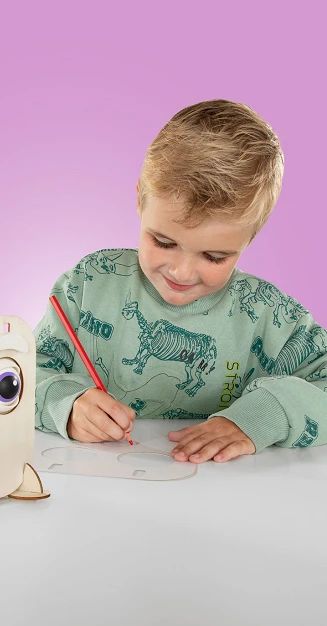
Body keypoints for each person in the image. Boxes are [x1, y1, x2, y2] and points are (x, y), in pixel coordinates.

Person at [33, 99, 327, 464]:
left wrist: (262, 417)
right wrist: (65, 403)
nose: (182, 273)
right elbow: (17, 373)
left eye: (214, 257)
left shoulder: (268, 314)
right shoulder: (89, 284)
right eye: (163, 242)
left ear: (250, 237)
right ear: (140, 199)